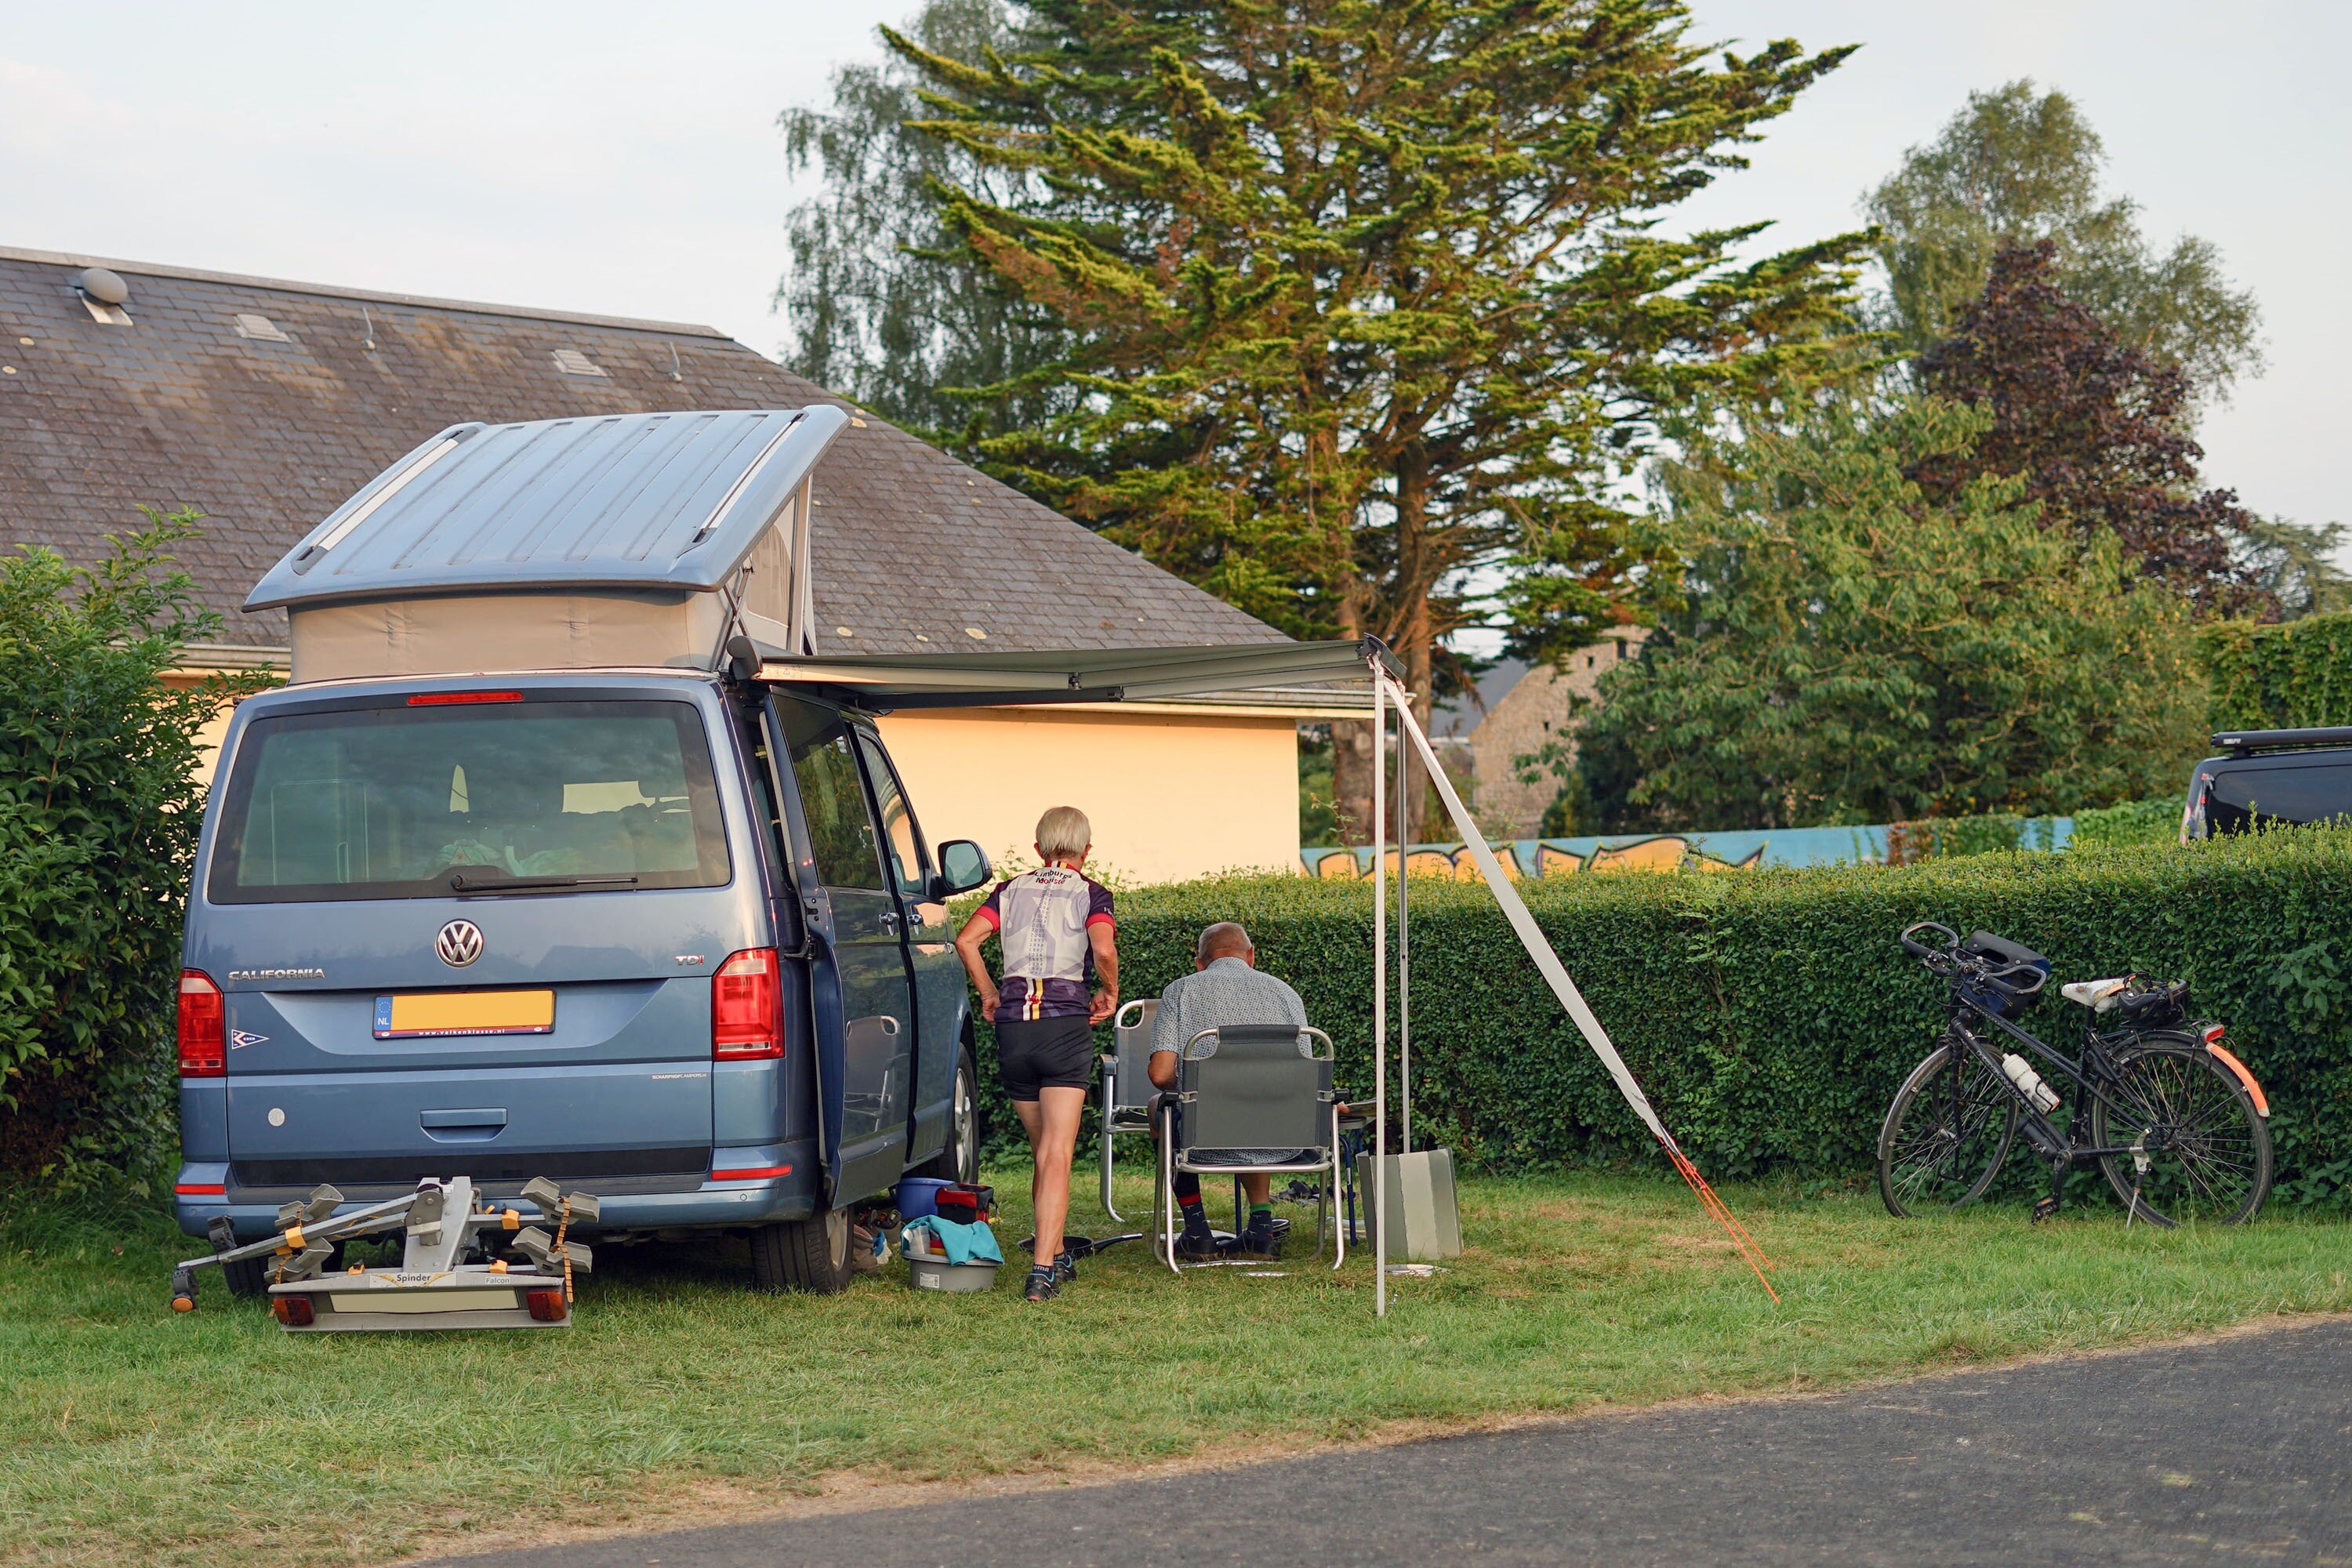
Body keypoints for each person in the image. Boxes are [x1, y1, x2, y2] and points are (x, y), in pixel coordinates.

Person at [953, 806, 1117, 1303]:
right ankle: (1042, 1270)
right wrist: (1108, 989)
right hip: (1065, 1029)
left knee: (1043, 1151)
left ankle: (1058, 1249)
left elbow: (967, 940)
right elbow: (1104, 949)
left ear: (1038, 847)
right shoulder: (1091, 892)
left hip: (1015, 1035)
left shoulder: (1009, 890)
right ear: (1086, 850)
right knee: (1057, 1154)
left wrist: (988, 993)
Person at [1149, 921, 1315, 1261]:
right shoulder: (1285, 992)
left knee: (1158, 1107)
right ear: (1251, 955)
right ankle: (1260, 1232)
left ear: (1199, 961)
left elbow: (1161, 1073)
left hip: (1205, 1134)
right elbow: (1305, 1074)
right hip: (1280, 1136)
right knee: (1257, 1107)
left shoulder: (1181, 991)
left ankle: (1197, 1233)